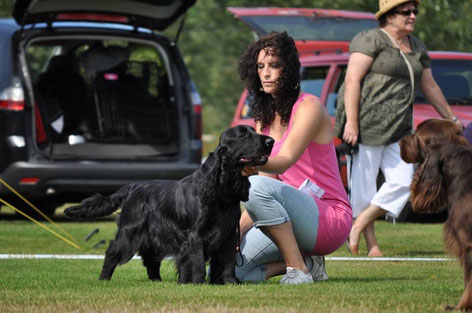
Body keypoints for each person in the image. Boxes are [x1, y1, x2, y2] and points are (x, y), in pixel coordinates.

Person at [334, 0, 463, 257]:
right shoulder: (370, 39)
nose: (413, 16)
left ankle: (356, 225)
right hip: (366, 124)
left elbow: (430, 86)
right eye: (406, 12)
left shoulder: (417, 46)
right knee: (363, 187)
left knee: (405, 182)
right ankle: (372, 247)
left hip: (400, 128)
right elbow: (352, 80)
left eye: (415, 11)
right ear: (389, 17)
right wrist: (352, 122)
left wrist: (450, 118)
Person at [235, 32, 352, 284]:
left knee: (253, 186)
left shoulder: (310, 107)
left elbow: (285, 159)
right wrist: (237, 230)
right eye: (260, 66)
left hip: (328, 216)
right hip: (285, 216)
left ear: (288, 69)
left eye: (274, 65)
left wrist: (247, 162)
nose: (265, 73)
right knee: (231, 272)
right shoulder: (262, 119)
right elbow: (268, 180)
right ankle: (309, 263)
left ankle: (298, 270)